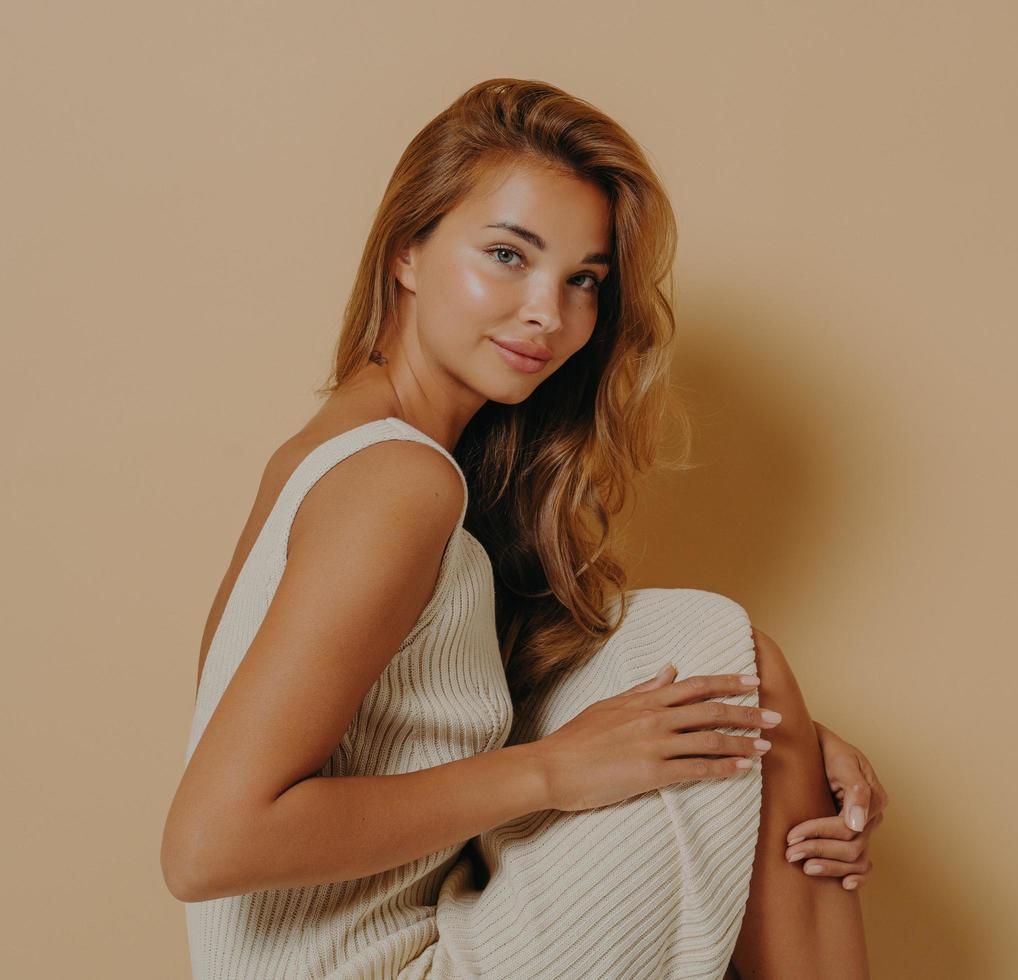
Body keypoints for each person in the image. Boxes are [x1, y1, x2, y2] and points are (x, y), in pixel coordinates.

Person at [161, 77, 888, 978]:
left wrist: (789, 757)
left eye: (583, 280)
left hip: (427, 928)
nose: (551, 311)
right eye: (508, 255)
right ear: (407, 253)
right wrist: (552, 773)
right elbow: (208, 846)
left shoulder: (355, 453)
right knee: (713, 643)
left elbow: (436, 722)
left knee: (734, 684)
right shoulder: (397, 479)